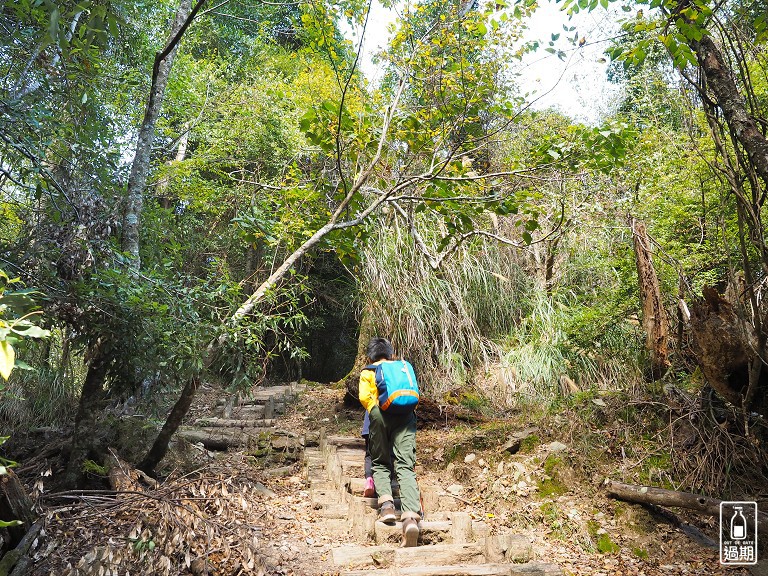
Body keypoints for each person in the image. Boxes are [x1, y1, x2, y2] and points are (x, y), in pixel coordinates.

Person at [358, 336, 421, 547]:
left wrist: (376, 412)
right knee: (405, 465)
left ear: (371, 355)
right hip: (405, 415)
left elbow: (364, 397)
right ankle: (411, 517)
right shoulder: (401, 368)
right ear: (390, 353)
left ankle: (386, 507)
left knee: (381, 461)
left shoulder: (368, 371)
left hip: (379, 417)